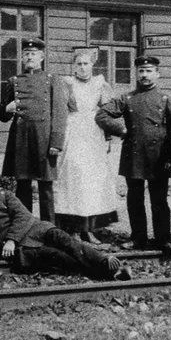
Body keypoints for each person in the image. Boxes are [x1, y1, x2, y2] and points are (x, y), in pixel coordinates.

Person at [0, 168, 130, 281]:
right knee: (58, 257)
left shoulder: (5, 196)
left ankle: (104, 261)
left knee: (67, 242)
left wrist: (11, 240)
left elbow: (23, 215)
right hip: (23, 249)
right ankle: (109, 271)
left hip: (36, 230)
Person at [97, 55, 171, 252]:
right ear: (136, 73)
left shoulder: (166, 100)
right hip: (133, 156)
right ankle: (137, 238)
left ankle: (163, 239)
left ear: (157, 74)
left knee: (159, 200)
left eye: (149, 71)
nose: (144, 75)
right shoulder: (127, 98)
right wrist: (121, 130)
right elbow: (102, 114)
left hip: (158, 157)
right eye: (141, 71)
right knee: (135, 200)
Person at [52, 48, 118, 242]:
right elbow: (60, 110)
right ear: (74, 66)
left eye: (86, 63)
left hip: (93, 133)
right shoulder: (67, 83)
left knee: (92, 180)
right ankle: (72, 228)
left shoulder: (100, 84)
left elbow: (108, 113)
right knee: (72, 178)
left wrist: (107, 139)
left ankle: (89, 228)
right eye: (79, 64)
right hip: (72, 132)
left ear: (92, 65)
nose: (82, 67)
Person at [0, 38, 66, 221]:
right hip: (21, 139)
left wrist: (56, 142)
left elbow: (59, 113)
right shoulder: (13, 81)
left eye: (33, 54)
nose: (29, 57)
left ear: (42, 56)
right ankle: (25, 227)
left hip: (44, 139)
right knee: (22, 186)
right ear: (22, 57)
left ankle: (49, 229)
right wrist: (6, 108)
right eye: (26, 54)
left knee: (45, 188)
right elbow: (2, 115)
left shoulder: (52, 80)